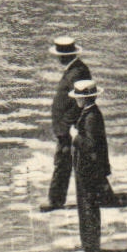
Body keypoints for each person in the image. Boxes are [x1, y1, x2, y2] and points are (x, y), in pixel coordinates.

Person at [39, 36, 92, 212]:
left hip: (67, 128)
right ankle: (101, 194)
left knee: (62, 162)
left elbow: (79, 103)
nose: (58, 59)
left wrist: (65, 125)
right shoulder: (75, 69)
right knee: (83, 162)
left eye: (60, 56)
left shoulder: (77, 72)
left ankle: (55, 200)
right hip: (66, 126)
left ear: (66, 56)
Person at [70, 79, 111, 252]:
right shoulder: (90, 113)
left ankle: (92, 249)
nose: (76, 100)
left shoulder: (91, 117)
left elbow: (90, 145)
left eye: (78, 97)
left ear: (84, 99)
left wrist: (75, 137)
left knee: (88, 208)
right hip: (87, 169)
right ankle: (89, 246)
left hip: (88, 170)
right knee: (87, 207)